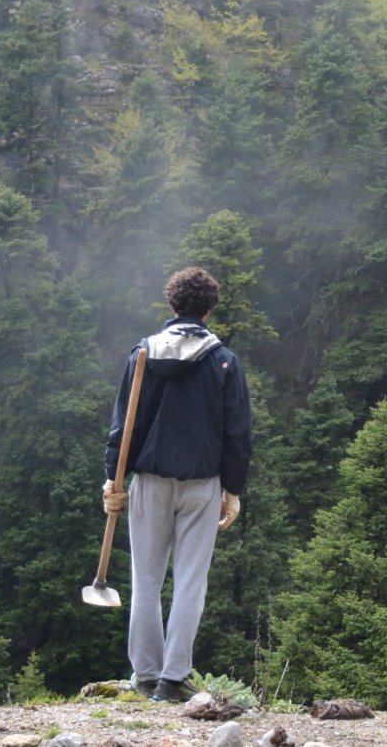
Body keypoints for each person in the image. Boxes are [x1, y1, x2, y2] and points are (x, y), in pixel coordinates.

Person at [102, 267, 254, 703]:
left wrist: (113, 479)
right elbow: (238, 435)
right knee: (190, 580)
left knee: (145, 579)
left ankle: (145, 675)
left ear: (172, 305)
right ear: (209, 309)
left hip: (149, 481)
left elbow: (123, 427)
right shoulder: (224, 360)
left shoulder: (143, 354)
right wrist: (233, 489)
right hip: (203, 484)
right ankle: (173, 679)